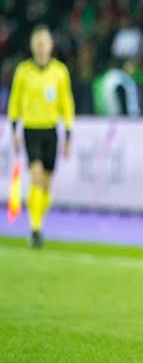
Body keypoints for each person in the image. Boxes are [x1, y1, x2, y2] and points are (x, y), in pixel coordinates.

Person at [8, 25, 75, 248]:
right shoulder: (23, 71)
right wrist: (14, 130)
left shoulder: (60, 72)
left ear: (50, 46)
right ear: (32, 46)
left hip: (50, 131)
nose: (41, 47)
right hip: (31, 130)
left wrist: (68, 135)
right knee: (36, 177)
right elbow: (15, 101)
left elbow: (66, 104)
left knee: (46, 184)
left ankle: (39, 222)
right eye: (37, 43)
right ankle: (35, 228)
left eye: (44, 43)